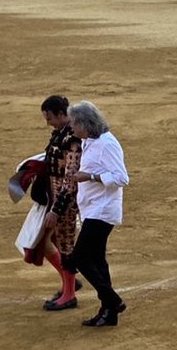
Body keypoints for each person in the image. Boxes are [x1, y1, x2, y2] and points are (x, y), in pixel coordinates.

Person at [65, 101, 129, 328]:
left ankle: (113, 301)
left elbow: (122, 178)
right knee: (97, 261)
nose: (71, 127)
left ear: (85, 123)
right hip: (92, 209)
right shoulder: (89, 141)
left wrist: (90, 177)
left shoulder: (107, 144)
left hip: (102, 211)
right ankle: (109, 312)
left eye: (73, 123)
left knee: (79, 259)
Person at [40, 95, 83, 312]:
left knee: (66, 246)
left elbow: (71, 179)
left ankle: (69, 295)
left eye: (50, 118)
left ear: (60, 114)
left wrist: (57, 209)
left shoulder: (72, 140)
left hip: (65, 202)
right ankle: (70, 284)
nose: (48, 122)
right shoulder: (62, 135)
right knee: (51, 241)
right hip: (55, 199)